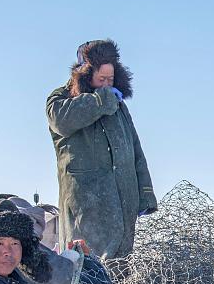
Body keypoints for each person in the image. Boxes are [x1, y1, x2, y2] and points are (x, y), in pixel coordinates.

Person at [47, 39, 157, 259]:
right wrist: (101, 101)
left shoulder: (119, 107)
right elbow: (61, 122)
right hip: (86, 207)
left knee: (121, 269)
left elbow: (135, 150)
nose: (107, 85)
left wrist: (145, 195)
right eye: (101, 79)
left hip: (124, 203)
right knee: (87, 267)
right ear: (85, 74)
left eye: (110, 79)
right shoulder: (60, 100)